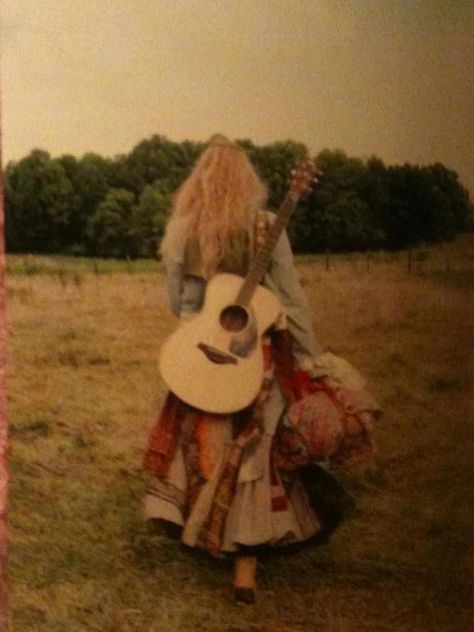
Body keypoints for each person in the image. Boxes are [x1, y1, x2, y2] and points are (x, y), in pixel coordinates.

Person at [144, 135, 378, 604]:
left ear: (199, 182)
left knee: (204, 451)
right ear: (248, 182)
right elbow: (291, 300)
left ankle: (204, 534)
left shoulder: (183, 231)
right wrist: (312, 357)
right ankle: (245, 571)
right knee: (254, 456)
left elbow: (180, 306)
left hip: (201, 356)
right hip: (257, 362)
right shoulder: (265, 226)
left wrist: (208, 331)